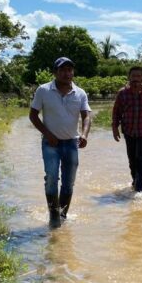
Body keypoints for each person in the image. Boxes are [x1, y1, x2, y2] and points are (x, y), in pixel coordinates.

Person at [29, 57, 92, 228]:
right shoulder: (43, 90)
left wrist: (84, 135)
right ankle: (53, 217)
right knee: (51, 179)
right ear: (55, 72)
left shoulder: (80, 93)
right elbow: (33, 115)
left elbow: (86, 115)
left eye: (70, 70)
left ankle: (63, 215)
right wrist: (47, 134)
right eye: (63, 70)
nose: (67, 73)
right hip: (51, 143)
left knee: (68, 182)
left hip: (72, 143)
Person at [112, 66, 142, 192]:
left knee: (141, 159)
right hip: (129, 132)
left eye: (139, 76)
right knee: (132, 160)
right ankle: (135, 180)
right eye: (133, 76)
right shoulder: (123, 93)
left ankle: (140, 188)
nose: (136, 79)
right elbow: (116, 111)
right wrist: (115, 128)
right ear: (129, 77)